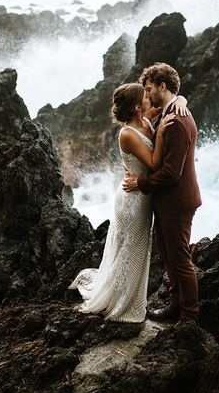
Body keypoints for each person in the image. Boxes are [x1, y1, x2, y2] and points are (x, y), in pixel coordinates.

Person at [67, 82, 187, 323]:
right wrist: (161, 134)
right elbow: (154, 163)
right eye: (145, 97)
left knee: (137, 251)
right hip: (132, 201)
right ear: (136, 106)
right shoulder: (128, 134)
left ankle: (132, 299)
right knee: (129, 251)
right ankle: (121, 303)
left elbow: (170, 105)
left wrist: (181, 100)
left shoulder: (144, 120)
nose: (149, 99)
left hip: (142, 196)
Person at [123, 63, 202, 326]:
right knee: (168, 255)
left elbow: (171, 173)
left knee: (180, 259)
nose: (148, 95)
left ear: (162, 87)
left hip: (177, 201)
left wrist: (140, 183)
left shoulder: (177, 121)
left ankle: (189, 315)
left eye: (149, 89)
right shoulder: (169, 111)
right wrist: (181, 97)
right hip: (167, 201)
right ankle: (175, 304)